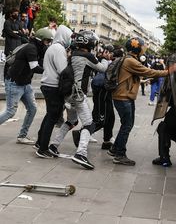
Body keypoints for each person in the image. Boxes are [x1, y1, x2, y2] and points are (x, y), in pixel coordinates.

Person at [48, 31, 108, 170]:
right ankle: (81, 153)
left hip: (69, 93)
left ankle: (53, 145)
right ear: (90, 43)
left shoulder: (73, 54)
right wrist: (104, 58)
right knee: (89, 124)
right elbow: (102, 68)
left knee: (72, 121)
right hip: (78, 95)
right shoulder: (87, 55)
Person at [107, 37, 169, 166]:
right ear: (137, 48)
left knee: (126, 124)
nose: (144, 50)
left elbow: (129, 77)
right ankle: (119, 154)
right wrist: (168, 72)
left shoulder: (128, 59)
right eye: (142, 47)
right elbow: (149, 71)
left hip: (123, 96)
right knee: (127, 126)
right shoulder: (131, 61)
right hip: (123, 97)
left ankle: (115, 148)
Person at [0, 28, 53, 144]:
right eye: (47, 41)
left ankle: (22, 136)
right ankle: (22, 135)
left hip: (25, 83)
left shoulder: (38, 48)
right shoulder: (31, 48)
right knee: (10, 112)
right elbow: (34, 67)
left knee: (32, 109)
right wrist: (50, 71)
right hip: (15, 83)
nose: (48, 44)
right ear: (40, 40)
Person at [34, 25, 73, 157]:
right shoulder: (58, 49)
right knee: (52, 117)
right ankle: (43, 148)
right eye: (70, 37)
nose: (70, 40)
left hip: (48, 84)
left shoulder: (54, 47)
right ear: (64, 36)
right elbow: (63, 70)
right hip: (52, 86)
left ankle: (40, 142)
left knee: (49, 115)